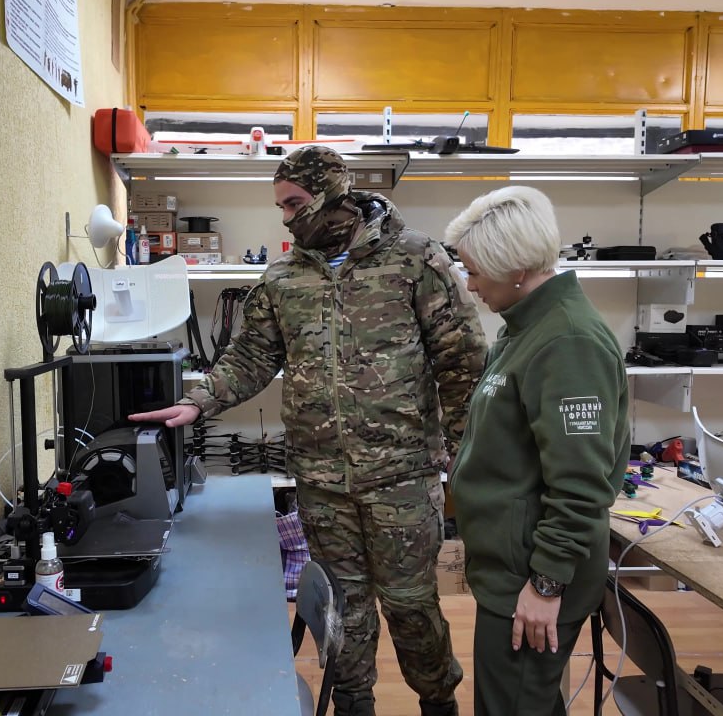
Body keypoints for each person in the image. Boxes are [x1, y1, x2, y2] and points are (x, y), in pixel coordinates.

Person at [130, 145, 487, 716]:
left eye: (294, 203)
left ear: (331, 194)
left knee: (411, 605)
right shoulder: (283, 277)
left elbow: (461, 362)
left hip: (400, 477)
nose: (286, 217)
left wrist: (465, 457)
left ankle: (438, 703)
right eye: (281, 205)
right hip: (322, 482)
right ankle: (353, 704)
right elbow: (250, 357)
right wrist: (197, 402)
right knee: (344, 608)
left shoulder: (416, 258)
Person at [442, 186, 629, 716]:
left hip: (532, 575)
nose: (470, 284)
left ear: (516, 268)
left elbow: (581, 484)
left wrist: (545, 585)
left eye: (475, 271)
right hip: (512, 568)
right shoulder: (526, 330)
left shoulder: (566, 341)